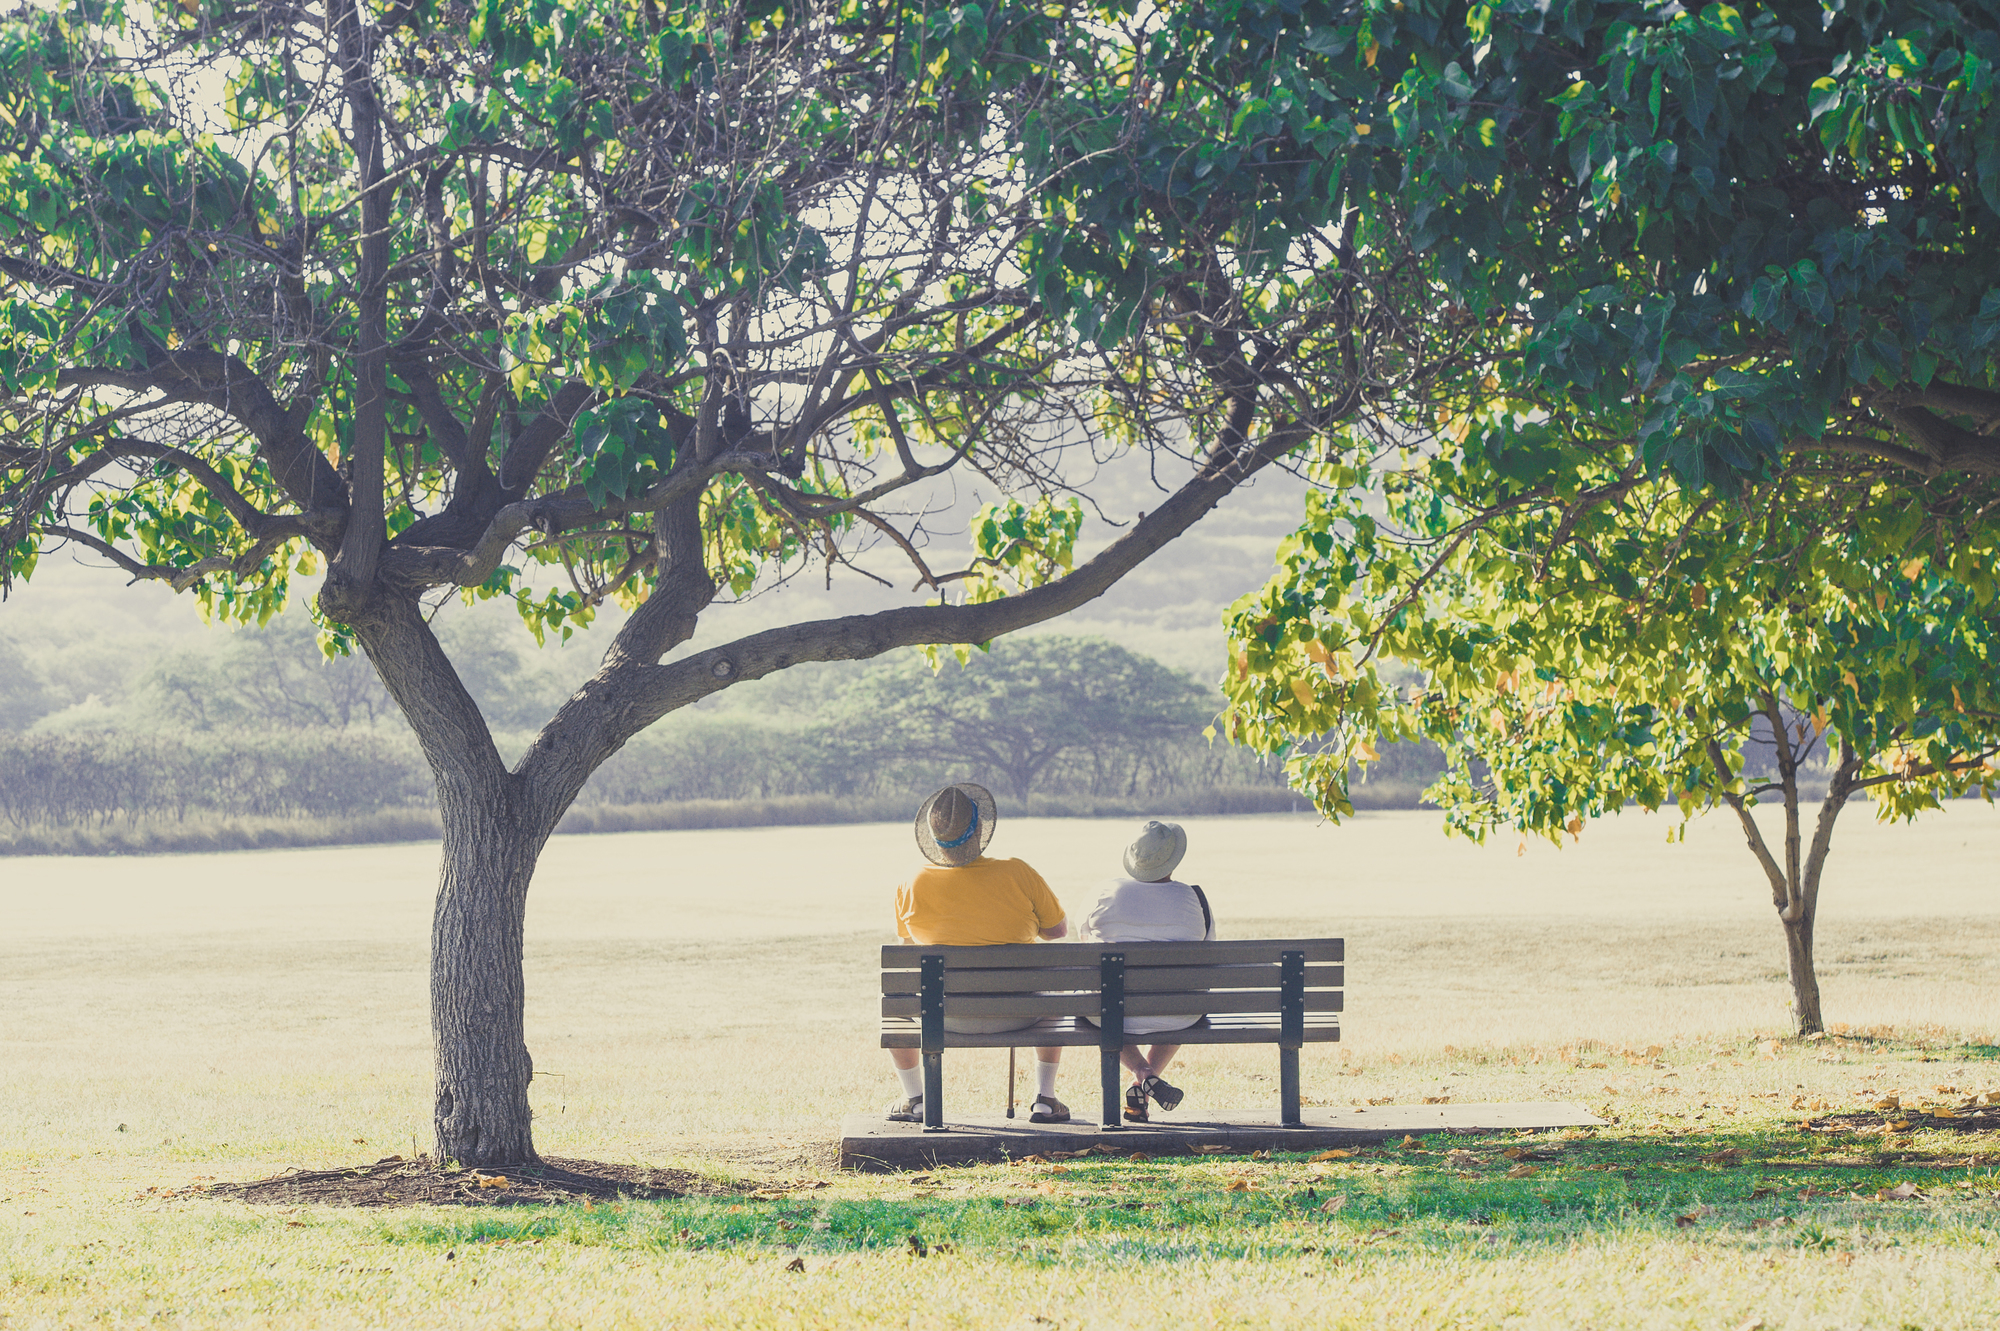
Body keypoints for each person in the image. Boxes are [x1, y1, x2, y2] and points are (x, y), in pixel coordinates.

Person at [887, 782, 1072, 1124]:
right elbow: (1057, 932)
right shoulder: (1018, 872)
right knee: (1055, 991)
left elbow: (907, 949)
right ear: (981, 830)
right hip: (1021, 1012)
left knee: (896, 1001)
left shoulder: (910, 882)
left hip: (942, 1016)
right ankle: (1045, 1099)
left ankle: (915, 1099)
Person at [1078, 819, 1215, 1122]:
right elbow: (1208, 955)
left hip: (1109, 1010)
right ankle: (1143, 1082)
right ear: (1173, 859)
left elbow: (1083, 938)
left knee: (1104, 1005)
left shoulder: (1105, 891)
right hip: (1179, 1012)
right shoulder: (1195, 899)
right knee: (1187, 1000)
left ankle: (1142, 1072)